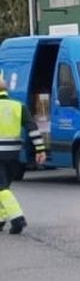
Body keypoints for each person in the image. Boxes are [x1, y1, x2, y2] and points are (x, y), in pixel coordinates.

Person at [0, 84, 46, 235]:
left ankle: (17, 219)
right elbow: (32, 128)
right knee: (4, 186)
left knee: (2, 188)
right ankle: (1, 218)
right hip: (13, 154)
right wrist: (40, 149)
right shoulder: (19, 106)